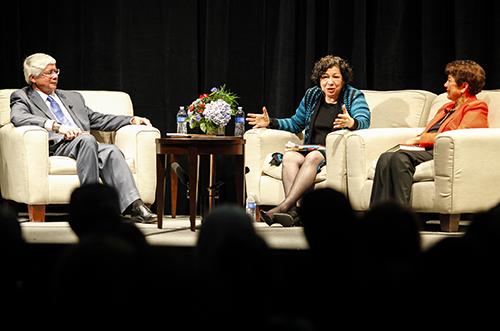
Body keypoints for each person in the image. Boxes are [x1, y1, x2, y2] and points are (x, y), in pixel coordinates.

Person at [10, 53, 156, 223]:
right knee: (87, 140)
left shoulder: (72, 97)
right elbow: (18, 117)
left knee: (111, 151)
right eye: (48, 73)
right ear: (33, 78)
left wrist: (130, 120)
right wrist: (56, 126)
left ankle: (135, 206)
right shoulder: (22, 96)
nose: (55, 76)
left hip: (83, 142)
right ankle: (92, 207)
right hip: (56, 145)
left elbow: (97, 119)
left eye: (56, 71)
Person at [246, 55, 370, 226]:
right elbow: (295, 123)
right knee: (289, 157)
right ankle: (295, 213)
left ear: (343, 79)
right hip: (309, 147)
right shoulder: (312, 95)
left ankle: (285, 207)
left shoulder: (353, 96)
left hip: (333, 152)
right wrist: (271, 122)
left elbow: (364, 120)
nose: (330, 82)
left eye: (335, 76)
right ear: (319, 80)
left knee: (313, 157)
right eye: (325, 77)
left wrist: (352, 122)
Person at [370, 59, 488, 208]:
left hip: (443, 151)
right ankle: (377, 217)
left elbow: (463, 136)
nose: (445, 85)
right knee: (386, 158)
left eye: (449, 81)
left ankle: (400, 220)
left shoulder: (476, 107)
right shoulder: (446, 108)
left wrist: (420, 139)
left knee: (400, 158)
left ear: (464, 86)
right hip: (425, 149)